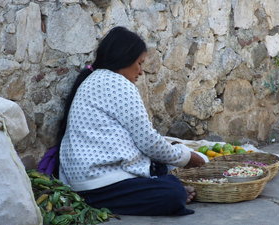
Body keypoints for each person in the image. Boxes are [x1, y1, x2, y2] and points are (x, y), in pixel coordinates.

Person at [57, 26, 208, 216]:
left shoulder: (95, 79)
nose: (141, 72)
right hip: (99, 183)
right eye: (139, 63)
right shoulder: (117, 83)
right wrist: (187, 158)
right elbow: (149, 142)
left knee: (162, 171)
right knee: (173, 191)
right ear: (124, 59)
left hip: (83, 181)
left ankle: (148, 193)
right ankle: (152, 194)